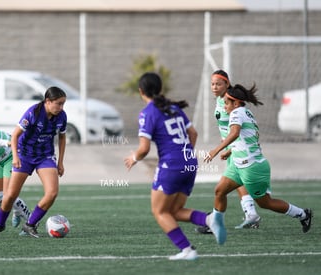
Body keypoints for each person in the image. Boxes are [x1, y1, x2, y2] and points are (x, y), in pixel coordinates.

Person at [204, 83, 313, 245]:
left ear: (235, 103)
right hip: (239, 165)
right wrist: (230, 151)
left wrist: (216, 150)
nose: (225, 106)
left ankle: (303, 214)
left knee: (265, 203)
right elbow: (247, 140)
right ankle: (216, 225)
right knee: (220, 190)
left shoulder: (236, 113)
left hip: (252, 168)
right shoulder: (246, 112)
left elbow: (234, 133)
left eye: (227, 102)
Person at [124, 72, 210, 260]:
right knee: (174, 212)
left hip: (171, 164)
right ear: (160, 89)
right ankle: (209, 220)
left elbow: (144, 148)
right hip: (190, 162)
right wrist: (185, 153)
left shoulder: (147, 112)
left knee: (160, 211)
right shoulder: (172, 108)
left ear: (141, 91)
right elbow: (193, 133)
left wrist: (134, 157)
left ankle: (187, 250)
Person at [0, 86, 67, 238]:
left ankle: (30, 224)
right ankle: (0, 225)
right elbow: (15, 135)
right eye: (59, 103)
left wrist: (60, 162)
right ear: (48, 101)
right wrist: (16, 158)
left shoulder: (62, 116)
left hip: (45, 156)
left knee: (52, 193)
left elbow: (62, 137)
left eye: (63, 104)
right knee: (10, 195)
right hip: (24, 155)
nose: (61, 107)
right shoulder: (33, 113)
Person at [196, 70, 261, 234]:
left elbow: (237, 129)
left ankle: (216, 221)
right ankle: (250, 213)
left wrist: (225, 149)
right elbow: (227, 127)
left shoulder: (232, 102)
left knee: (223, 188)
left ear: (227, 84)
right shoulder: (221, 100)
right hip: (231, 147)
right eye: (212, 84)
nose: (214, 87)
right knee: (236, 183)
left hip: (237, 148)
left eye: (218, 84)